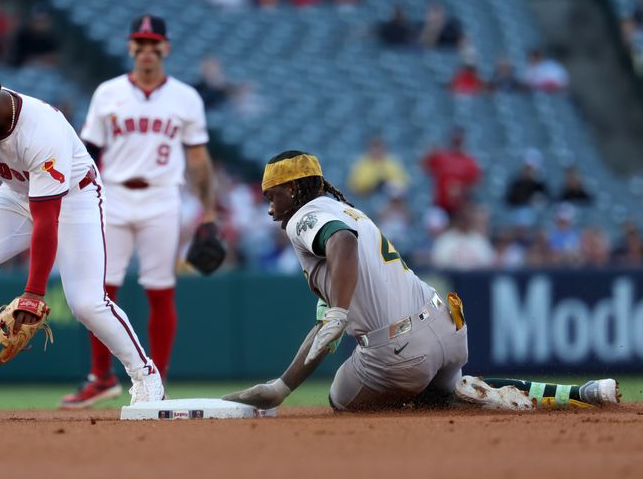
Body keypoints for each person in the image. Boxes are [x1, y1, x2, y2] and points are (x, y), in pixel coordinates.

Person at [222, 151, 619, 411]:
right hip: (447, 327)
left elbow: (341, 244)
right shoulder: (345, 209)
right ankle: (581, 394)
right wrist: (282, 386)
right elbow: (325, 323)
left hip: (400, 353)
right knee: (453, 385)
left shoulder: (304, 218)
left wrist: (339, 312)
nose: (269, 206)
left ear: (293, 190)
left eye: (272, 195)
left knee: (340, 400)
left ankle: (436, 401)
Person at [0, 63, 164, 413]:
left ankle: (146, 376)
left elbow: (46, 220)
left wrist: (33, 294)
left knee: (86, 303)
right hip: (17, 193)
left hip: (74, 199)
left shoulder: (40, 131)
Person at [61, 15, 219, 408]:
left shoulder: (185, 97)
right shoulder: (108, 93)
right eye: (140, 43)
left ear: (166, 48)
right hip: (111, 195)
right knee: (99, 291)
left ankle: (157, 380)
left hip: (163, 196)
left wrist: (209, 212)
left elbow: (198, 158)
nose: (147, 51)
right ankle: (101, 377)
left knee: (160, 288)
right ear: (130, 47)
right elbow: (88, 151)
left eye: (154, 44)